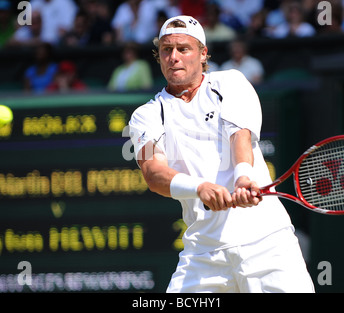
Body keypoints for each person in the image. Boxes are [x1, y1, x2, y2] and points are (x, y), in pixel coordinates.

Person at [128, 15, 314, 293]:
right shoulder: (146, 115)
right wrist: (200, 188)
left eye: (183, 48)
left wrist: (242, 177)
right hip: (203, 253)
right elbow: (154, 175)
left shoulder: (230, 82)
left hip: (267, 242)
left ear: (203, 54)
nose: (173, 57)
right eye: (167, 50)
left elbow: (239, 134)